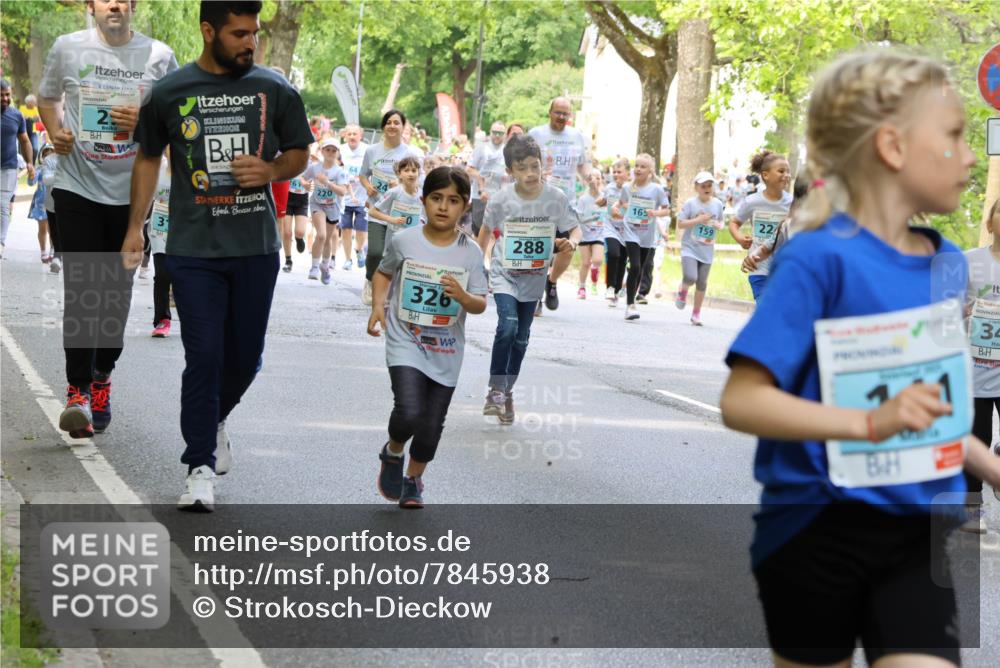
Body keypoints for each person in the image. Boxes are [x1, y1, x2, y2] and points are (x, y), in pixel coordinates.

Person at [720, 50, 1000, 668]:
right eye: (954, 136)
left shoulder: (946, 264)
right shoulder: (817, 259)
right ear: (893, 147)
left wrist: (990, 466)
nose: (971, 156)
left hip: (916, 536)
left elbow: (929, 407)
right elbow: (742, 400)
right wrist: (870, 423)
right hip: (814, 533)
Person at [126, 0, 313, 511]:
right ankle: (199, 467)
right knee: (204, 356)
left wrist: (271, 170)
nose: (250, 43)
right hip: (193, 249)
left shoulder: (275, 88)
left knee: (246, 358)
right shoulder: (170, 91)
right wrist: (135, 229)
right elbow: (147, 158)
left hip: (255, 248)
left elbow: (300, 152)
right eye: (239, 34)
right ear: (208, 31)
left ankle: (215, 417)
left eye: (254, 33)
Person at [37, 0, 176, 438]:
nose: (113, 3)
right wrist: (56, 131)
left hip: (131, 194)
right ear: (91, 5)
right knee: (82, 289)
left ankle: (101, 376)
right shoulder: (68, 47)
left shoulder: (159, 56)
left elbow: (177, 118)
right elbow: (47, 98)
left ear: (132, 5)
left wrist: (145, 119)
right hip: (76, 185)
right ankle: (77, 391)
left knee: (115, 295)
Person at [367, 167, 488, 508]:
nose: (443, 207)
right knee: (408, 411)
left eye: (453, 200)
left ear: (465, 206)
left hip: (446, 349)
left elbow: (480, 303)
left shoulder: (471, 253)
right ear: (423, 201)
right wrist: (378, 305)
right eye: (436, 198)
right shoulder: (405, 240)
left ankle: (413, 479)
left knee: (431, 425)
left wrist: (463, 297)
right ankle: (394, 451)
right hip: (406, 339)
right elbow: (383, 272)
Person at [476, 135, 580, 424]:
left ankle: (507, 391)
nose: (530, 174)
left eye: (535, 166)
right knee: (507, 327)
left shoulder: (555, 198)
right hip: (505, 273)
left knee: (521, 340)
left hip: (534, 279)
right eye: (522, 168)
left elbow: (575, 229)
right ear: (510, 171)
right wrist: (476, 267)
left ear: (543, 164)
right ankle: (496, 391)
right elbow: (485, 233)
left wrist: (571, 243)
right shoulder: (501, 199)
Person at [529, 98, 590, 313]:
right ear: (550, 111)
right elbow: (523, 163)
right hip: (540, 200)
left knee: (568, 247)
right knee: (540, 248)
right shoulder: (536, 134)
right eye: (558, 112)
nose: (561, 117)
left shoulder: (577, 136)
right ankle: (535, 296)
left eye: (566, 114)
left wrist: (591, 179)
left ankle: (552, 281)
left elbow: (582, 165)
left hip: (567, 201)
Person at [360, 109, 423, 305]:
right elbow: (363, 174)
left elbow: (417, 181)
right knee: (375, 252)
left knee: (395, 255)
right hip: (378, 209)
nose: (392, 126)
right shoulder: (372, 151)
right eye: (389, 122)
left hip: (401, 213)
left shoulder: (410, 153)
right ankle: (370, 280)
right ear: (383, 126)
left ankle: (391, 292)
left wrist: (401, 184)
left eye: (397, 123)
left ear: (403, 127)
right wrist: (368, 186)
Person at [964, 196, 1000, 533]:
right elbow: (944, 310)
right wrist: (966, 311)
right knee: (978, 437)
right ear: (989, 223)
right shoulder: (969, 262)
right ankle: (973, 508)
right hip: (974, 369)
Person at [728, 150, 792, 301]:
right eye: (781, 171)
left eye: (788, 171)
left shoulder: (791, 203)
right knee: (765, 306)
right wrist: (740, 239)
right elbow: (734, 223)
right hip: (758, 266)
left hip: (783, 267)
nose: (786, 175)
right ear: (765, 175)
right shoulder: (752, 201)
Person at [614, 153, 669, 322]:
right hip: (631, 230)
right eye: (636, 165)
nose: (638, 169)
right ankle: (630, 305)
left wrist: (655, 213)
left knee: (639, 269)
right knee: (636, 266)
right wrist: (617, 208)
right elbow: (621, 203)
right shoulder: (628, 188)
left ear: (650, 171)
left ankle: (631, 296)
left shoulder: (656, 189)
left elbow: (666, 210)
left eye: (643, 167)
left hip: (647, 234)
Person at [675, 171, 725, 326]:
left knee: (702, 283)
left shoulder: (717, 204)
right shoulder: (691, 203)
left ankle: (696, 314)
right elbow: (680, 224)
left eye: (709, 185)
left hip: (707, 249)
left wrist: (719, 225)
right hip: (690, 247)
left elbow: (721, 221)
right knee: (691, 277)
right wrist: (698, 220)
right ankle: (683, 291)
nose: (707, 188)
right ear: (696, 188)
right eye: (703, 186)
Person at [303, 138, 348, 283]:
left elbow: (342, 191)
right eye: (327, 150)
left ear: (337, 153)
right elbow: (303, 178)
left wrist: (327, 182)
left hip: (333, 207)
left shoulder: (339, 172)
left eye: (333, 150)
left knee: (327, 239)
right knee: (321, 235)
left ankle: (325, 266)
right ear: (322, 151)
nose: (330, 153)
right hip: (317, 204)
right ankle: (314, 267)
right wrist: (305, 184)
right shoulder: (314, 167)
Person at [2, 81, 35, 256]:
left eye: (7, 94)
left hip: (8, 168)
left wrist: (29, 163)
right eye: (1, 95)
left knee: (3, 206)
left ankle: (0, 242)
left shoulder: (17, 116)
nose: (5, 98)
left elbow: (25, 140)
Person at [367, 156, 423, 252]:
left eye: (414, 171)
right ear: (399, 174)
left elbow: (425, 216)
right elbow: (372, 212)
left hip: (412, 241)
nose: (411, 174)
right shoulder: (394, 192)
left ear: (418, 173)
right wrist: (392, 219)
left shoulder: (422, 194)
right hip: (393, 241)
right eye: (406, 170)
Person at [147, 155, 173, 337]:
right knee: (162, 274)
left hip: (186, 228)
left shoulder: (193, 165)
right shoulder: (158, 166)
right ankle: (162, 319)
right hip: (160, 227)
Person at [467, 120, 506, 237]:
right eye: (494, 132)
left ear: (505, 134)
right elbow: (469, 169)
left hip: (499, 197)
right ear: (490, 132)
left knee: (497, 232)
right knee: (479, 231)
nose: (497, 135)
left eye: (500, 133)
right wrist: (481, 183)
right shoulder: (481, 148)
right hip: (481, 196)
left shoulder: (507, 150)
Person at [339, 123, 369, 270]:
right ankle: (348, 259)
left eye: (355, 134)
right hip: (345, 198)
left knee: (361, 230)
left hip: (362, 197)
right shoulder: (340, 150)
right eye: (349, 134)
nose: (352, 137)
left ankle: (359, 249)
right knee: (346, 229)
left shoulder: (367, 150)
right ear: (345, 136)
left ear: (360, 136)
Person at [600, 158, 629, 307]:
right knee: (613, 254)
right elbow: (603, 201)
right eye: (614, 172)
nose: (616, 174)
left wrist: (624, 207)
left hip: (627, 229)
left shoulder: (632, 189)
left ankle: (616, 291)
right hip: (610, 226)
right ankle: (610, 288)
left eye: (619, 172)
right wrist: (600, 201)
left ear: (628, 173)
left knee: (622, 260)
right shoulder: (609, 188)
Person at [575, 171, 606, 298]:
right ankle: (582, 287)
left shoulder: (604, 197)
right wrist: (591, 218)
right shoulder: (583, 199)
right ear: (588, 181)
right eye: (593, 178)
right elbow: (579, 218)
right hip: (584, 234)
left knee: (597, 260)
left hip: (599, 233)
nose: (596, 181)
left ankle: (595, 270)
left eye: (598, 178)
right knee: (585, 263)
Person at [28, 144, 55, 263]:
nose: (48, 157)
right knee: (42, 229)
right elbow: (31, 183)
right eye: (45, 155)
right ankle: (43, 252)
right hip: (40, 205)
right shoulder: (39, 169)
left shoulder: (57, 170)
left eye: (51, 154)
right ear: (42, 157)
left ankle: (53, 251)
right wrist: (31, 175)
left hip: (53, 203)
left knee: (53, 229)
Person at [281, 166, 310, 272]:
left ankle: (299, 239)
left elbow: (314, 181)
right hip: (287, 198)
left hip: (302, 200)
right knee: (287, 232)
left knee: (300, 231)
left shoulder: (310, 164)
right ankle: (288, 260)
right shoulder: (290, 162)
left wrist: (308, 185)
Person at [19, 94, 42, 159]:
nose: (34, 104)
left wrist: (32, 118)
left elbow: (38, 119)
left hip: (33, 132)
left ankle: (32, 162)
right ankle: (23, 163)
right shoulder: (22, 108)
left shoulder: (35, 109)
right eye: (33, 102)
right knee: (22, 150)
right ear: (28, 103)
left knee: (35, 149)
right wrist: (30, 118)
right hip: (23, 132)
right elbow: (21, 118)